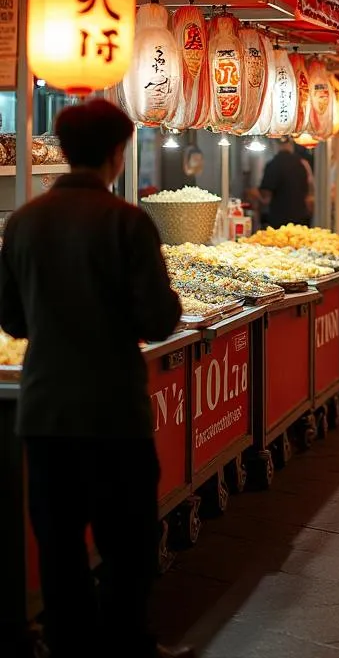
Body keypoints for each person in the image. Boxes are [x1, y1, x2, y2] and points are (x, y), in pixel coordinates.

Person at [0, 100, 192, 658]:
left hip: (46, 409)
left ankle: (69, 645)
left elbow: (11, 319)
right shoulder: (128, 222)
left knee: (59, 544)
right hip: (112, 407)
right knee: (128, 539)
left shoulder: (23, 222)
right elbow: (158, 319)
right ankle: (127, 645)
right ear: (117, 153)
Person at [251, 137, 313, 228]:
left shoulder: (273, 164)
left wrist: (255, 194)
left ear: (276, 145)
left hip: (279, 221)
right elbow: (310, 192)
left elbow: (266, 198)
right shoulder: (303, 164)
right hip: (301, 220)